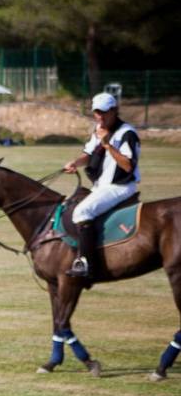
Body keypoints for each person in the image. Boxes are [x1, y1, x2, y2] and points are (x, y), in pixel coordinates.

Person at [61, 92, 140, 286]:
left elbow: (128, 166)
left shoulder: (127, 133)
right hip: (101, 185)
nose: (100, 117)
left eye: (104, 112)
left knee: (82, 211)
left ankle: (87, 264)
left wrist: (107, 144)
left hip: (120, 186)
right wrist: (75, 163)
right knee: (70, 204)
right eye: (97, 112)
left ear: (114, 110)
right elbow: (88, 154)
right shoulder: (98, 129)